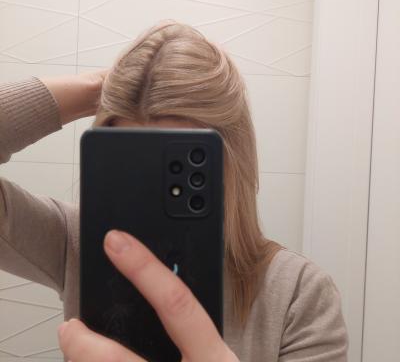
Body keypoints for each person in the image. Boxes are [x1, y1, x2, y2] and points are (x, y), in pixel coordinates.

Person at [0, 21, 348, 361]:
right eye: (130, 164)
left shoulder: (298, 292)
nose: (146, 194)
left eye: (178, 172)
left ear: (231, 161)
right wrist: (99, 89)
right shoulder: (78, 242)